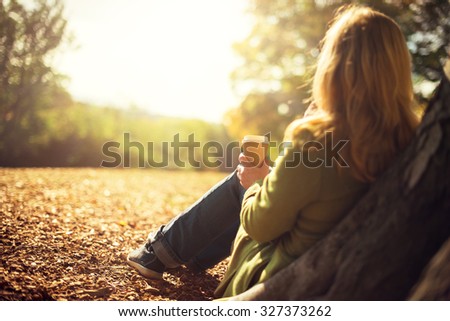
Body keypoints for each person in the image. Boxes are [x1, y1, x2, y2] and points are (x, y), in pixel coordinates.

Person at [127, 5, 419, 298]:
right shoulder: (410, 139)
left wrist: (255, 183)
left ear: (335, 65)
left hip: (282, 274)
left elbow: (260, 225)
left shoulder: (316, 139)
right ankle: (193, 256)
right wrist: (269, 178)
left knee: (238, 184)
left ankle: (157, 254)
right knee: (256, 180)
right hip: (339, 262)